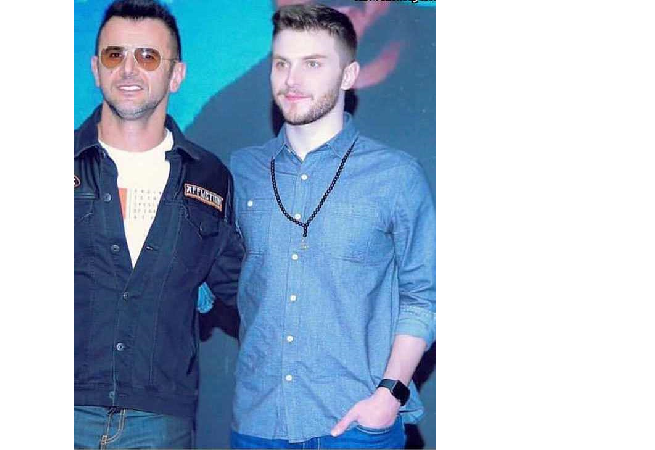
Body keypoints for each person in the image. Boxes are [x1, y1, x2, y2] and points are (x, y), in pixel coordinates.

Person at [229, 4, 435, 449]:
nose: (291, 80)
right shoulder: (240, 172)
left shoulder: (395, 175)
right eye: (281, 64)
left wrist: (390, 394)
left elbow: (425, 296)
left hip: (357, 426)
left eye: (313, 64)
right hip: (258, 426)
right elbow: (220, 277)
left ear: (348, 75)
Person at [74, 0, 244, 448]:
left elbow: (246, 291)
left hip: (160, 423)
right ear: (95, 69)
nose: (128, 69)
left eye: (148, 57)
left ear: (176, 74)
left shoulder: (210, 177)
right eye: (115, 55)